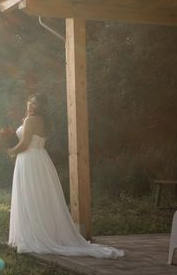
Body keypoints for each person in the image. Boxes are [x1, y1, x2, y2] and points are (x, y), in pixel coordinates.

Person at [7, 94, 124, 259]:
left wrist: (10, 151)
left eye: (34, 103)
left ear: (38, 105)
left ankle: (34, 236)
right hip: (40, 159)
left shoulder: (30, 120)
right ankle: (39, 232)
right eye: (30, 102)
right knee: (39, 197)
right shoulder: (42, 120)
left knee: (31, 196)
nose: (30, 104)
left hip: (29, 159)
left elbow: (25, 143)